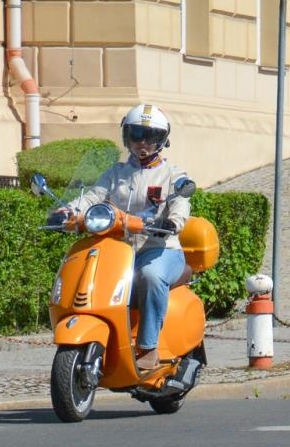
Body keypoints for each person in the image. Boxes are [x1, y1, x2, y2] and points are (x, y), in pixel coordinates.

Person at [51, 105, 189, 378]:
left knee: (150, 276)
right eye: (136, 134)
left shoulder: (173, 175)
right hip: (119, 250)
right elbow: (93, 197)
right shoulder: (116, 172)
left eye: (150, 136)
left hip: (159, 248)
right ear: (127, 136)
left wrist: (172, 222)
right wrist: (67, 211)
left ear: (162, 140)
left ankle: (148, 347)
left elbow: (180, 204)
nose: (142, 142)